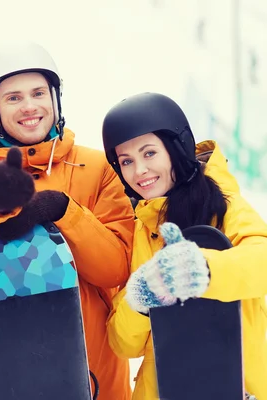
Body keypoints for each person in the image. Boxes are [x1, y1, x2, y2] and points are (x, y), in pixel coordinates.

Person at [0, 42, 135, 400]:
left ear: (55, 98)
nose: (29, 107)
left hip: (101, 380)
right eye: (13, 98)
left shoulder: (97, 168)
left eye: (38, 93)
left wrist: (63, 210)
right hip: (18, 376)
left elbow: (115, 269)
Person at [102, 91, 267, 400]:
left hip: (237, 385)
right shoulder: (141, 228)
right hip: (165, 389)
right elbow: (124, 345)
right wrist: (139, 301)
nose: (139, 171)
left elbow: (262, 262)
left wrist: (203, 269)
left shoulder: (224, 205)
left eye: (149, 153)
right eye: (127, 161)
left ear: (176, 147)